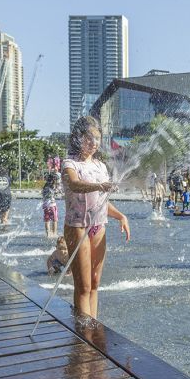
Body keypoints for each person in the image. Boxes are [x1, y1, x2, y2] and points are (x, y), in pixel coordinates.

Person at [62, 116, 130, 319]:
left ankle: (93, 327)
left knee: (94, 283)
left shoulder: (101, 166)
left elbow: (101, 202)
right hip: (77, 227)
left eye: (97, 138)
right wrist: (100, 186)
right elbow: (75, 185)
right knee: (83, 286)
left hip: (98, 227)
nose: (93, 143)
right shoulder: (70, 164)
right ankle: (83, 335)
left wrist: (120, 216)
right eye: (88, 138)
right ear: (78, 138)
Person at [42, 170, 60, 237]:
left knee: (47, 220)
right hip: (52, 205)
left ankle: (48, 234)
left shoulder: (45, 187)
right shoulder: (52, 187)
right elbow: (57, 192)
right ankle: (54, 233)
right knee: (54, 220)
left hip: (45, 206)